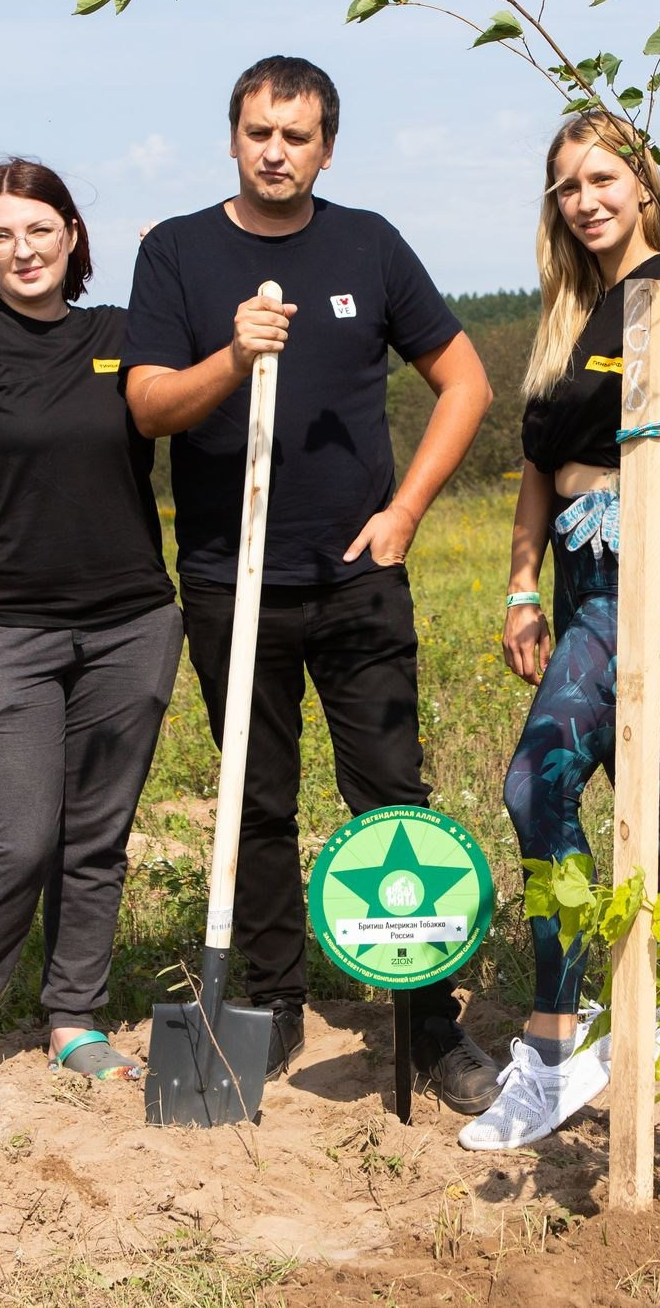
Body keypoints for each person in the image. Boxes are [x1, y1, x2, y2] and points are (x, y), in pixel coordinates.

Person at [121, 55, 502, 1112]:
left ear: (327, 148)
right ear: (232, 138)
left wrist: (404, 513)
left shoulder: (368, 244)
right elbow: (149, 404)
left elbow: (466, 382)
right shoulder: (177, 253)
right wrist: (232, 358)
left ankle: (428, 1022)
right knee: (257, 800)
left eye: (296, 135)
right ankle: (274, 999)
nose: (275, 151)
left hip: (356, 578)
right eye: (258, 132)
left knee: (393, 799)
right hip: (229, 578)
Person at [461, 110, 660, 1152]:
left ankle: (552, 1038)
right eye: (567, 186)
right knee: (646, 792)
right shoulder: (570, 313)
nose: (585, 200)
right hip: (579, 568)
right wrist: (520, 587)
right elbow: (539, 468)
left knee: (534, 783)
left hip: (650, 559)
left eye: (602, 178)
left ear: (644, 185)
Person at [0, 157, 185, 1104]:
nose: (23, 250)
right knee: (15, 840)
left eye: (40, 229)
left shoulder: (121, 336)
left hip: (131, 626)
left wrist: (178, 263)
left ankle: (74, 1019)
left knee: (95, 838)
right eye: (1, 235)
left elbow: (215, 358)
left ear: (72, 234)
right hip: (0, 632)